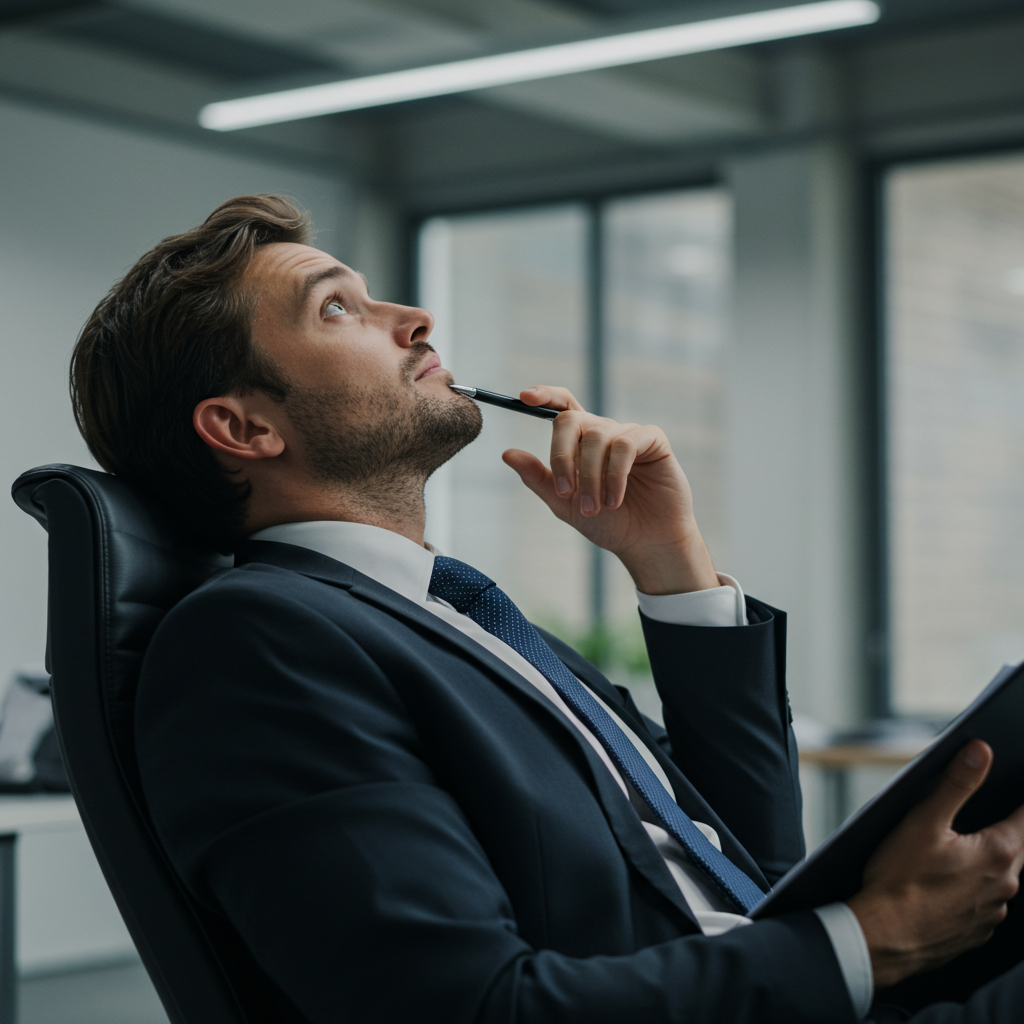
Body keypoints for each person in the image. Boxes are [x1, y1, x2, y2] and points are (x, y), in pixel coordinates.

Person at [69, 195, 1024, 1024]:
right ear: (244, 427)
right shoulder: (255, 646)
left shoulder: (462, 617)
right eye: (338, 308)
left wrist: (671, 565)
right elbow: (470, 1012)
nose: (414, 317)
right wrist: (873, 943)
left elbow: (743, 867)